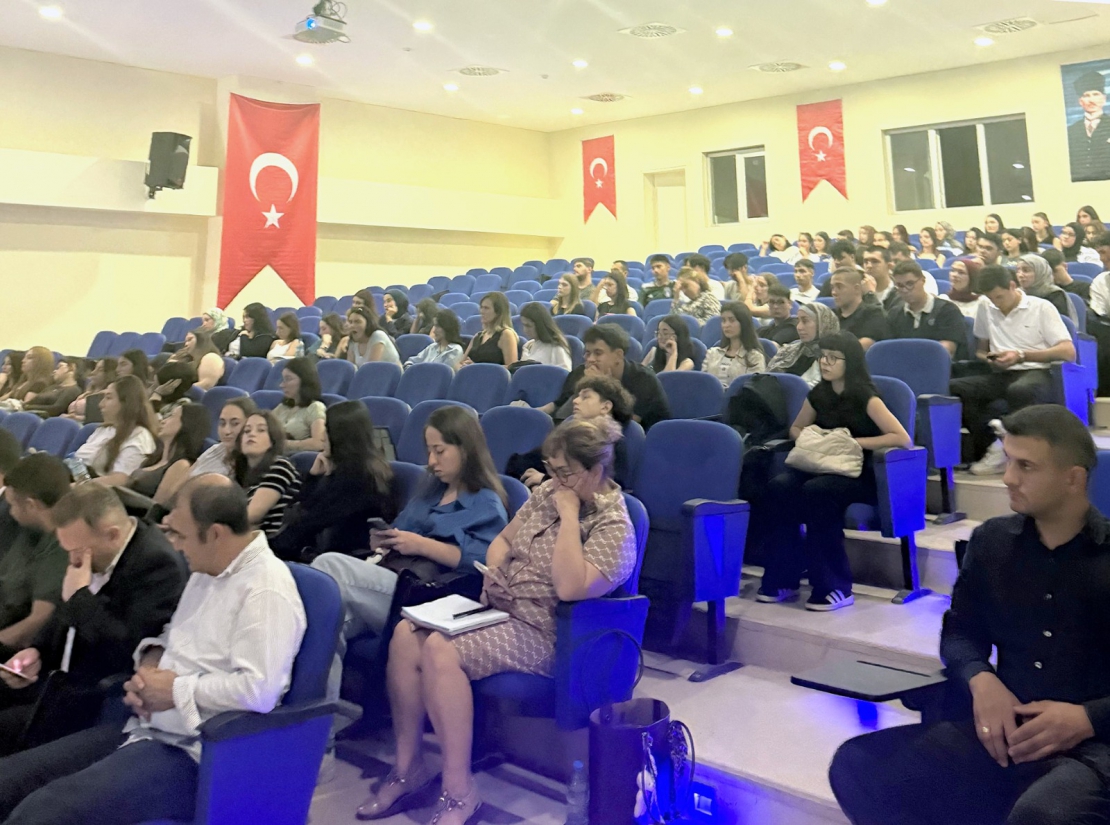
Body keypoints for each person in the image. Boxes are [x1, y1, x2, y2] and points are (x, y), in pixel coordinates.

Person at [830, 405, 1110, 825]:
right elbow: (960, 631)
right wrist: (982, 680)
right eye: (1008, 460)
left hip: (1094, 748)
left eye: (1026, 466)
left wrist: (1087, 718)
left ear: (1073, 478)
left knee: (1042, 815)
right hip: (1006, 733)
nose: (1008, 477)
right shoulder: (992, 542)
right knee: (859, 765)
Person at [357, 418, 634, 823]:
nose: (555, 481)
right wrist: (500, 567)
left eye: (565, 473)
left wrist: (569, 516)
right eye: (552, 469)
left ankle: (459, 793)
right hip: (500, 610)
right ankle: (408, 768)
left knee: (440, 649)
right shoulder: (548, 492)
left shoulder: (614, 526)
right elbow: (502, 540)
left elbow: (569, 585)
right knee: (405, 633)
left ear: (595, 471)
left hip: (550, 634)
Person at [0, 475, 305, 824]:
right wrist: (149, 666)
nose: (175, 545)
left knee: (44, 812)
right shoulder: (207, 570)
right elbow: (171, 635)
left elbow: (259, 690)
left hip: (193, 750)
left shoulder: (265, 590)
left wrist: (172, 690)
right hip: (146, 726)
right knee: (10, 780)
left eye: (181, 535)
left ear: (215, 534)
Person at [311, 406, 507, 733]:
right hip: (395, 580)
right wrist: (386, 540)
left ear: (465, 449)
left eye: (440, 451)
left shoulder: (486, 502)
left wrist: (421, 545)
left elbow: (487, 560)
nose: (431, 461)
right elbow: (400, 531)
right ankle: (319, 732)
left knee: (327, 567)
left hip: (431, 594)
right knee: (326, 622)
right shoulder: (429, 493)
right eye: (429, 451)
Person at [0, 484, 186, 753]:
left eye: (78, 550)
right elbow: (64, 614)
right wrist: (37, 650)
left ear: (112, 535)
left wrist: (80, 597)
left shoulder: (157, 566)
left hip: (90, 697)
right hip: (51, 678)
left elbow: (127, 648)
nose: (72, 558)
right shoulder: (89, 549)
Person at [757, 331, 911, 610]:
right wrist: (817, 439)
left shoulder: (865, 396)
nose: (825, 362)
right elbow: (796, 428)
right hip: (822, 464)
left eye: (833, 358)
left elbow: (901, 438)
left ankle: (834, 585)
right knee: (780, 487)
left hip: (859, 473)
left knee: (818, 492)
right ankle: (784, 576)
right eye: (822, 356)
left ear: (850, 362)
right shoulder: (819, 393)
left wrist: (852, 442)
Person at [950, 265, 1076, 475]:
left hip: (1036, 370)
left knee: (1020, 390)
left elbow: (1067, 351)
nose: (995, 303)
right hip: (1002, 372)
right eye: (990, 298)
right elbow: (981, 350)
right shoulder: (986, 307)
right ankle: (992, 445)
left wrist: (1021, 355)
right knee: (957, 388)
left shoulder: (1041, 307)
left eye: (999, 297)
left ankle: (1011, 446)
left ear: (1011, 286)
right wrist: (991, 358)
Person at [271, 400, 396, 561]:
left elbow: (308, 523)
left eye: (327, 429)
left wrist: (267, 549)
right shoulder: (352, 469)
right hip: (324, 553)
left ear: (341, 437)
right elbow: (305, 509)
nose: (322, 436)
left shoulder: (359, 479)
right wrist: (314, 476)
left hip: (340, 558)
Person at [508, 375, 635, 489]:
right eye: (577, 396)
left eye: (585, 397)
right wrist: (532, 484)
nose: (575, 401)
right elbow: (520, 463)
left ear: (605, 407)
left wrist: (545, 481)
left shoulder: (613, 442)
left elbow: (608, 487)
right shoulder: (567, 435)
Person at [0, 455, 70, 663]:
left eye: (13, 505)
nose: (11, 511)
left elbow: (37, 622)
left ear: (31, 505)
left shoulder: (62, 547)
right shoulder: (26, 529)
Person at [542, 324, 670, 430]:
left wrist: (599, 384)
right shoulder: (580, 372)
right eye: (587, 353)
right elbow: (561, 414)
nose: (590, 359)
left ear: (618, 355)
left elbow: (625, 425)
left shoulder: (644, 380)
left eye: (598, 353)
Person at [117, 404, 210, 507]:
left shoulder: (181, 465)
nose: (163, 421)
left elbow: (156, 507)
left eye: (171, 416)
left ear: (186, 424)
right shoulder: (154, 458)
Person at [75, 375, 158, 483]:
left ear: (126, 403)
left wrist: (74, 486)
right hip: (77, 475)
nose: (101, 405)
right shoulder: (105, 429)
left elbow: (119, 479)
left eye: (108, 398)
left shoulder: (139, 436)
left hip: (92, 486)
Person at [232, 411, 302, 538]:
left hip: (270, 544)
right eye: (246, 431)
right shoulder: (241, 475)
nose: (252, 434)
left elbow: (252, 515)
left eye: (261, 430)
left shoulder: (280, 466)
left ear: (272, 439)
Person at [887, 261, 969, 360]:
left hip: (938, 366)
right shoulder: (895, 313)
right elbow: (889, 349)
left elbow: (946, 352)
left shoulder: (948, 311)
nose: (905, 290)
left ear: (923, 280)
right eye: (900, 285)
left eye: (910, 284)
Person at [766, 302, 841, 388]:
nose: (799, 327)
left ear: (822, 324)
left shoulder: (835, 357)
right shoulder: (790, 349)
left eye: (805, 321)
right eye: (798, 321)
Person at [189, 397, 256, 479]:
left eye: (235, 423)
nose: (226, 431)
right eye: (222, 423)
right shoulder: (214, 450)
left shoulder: (252, 464)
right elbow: (185, 479)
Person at [703, 302, 766, 388]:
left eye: (732, 320)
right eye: (723, 321)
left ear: (743, 323)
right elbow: (703, 384)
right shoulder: (712, 354)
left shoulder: (754, 357)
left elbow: (753, 390)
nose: (726, 325)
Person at [272, 357, 327, 454]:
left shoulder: (315, 408)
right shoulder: (282, 407)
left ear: (305, 380)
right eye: (283, 379)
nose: (282, 385)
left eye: (288, 379)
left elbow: (319, 443)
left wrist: (283, 444)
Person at [830, 268, 888, 350]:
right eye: (832, 287)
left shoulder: (873, 314)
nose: (834, 292)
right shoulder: (831, 316)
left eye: (839, 287)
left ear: (856, 288)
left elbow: (861, 347)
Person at [1067, 70, 1110, 181]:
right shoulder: (1071, 131)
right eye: (1086, 96)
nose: (1091, 100)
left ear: (1104, 99)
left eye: (1096, 94)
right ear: (1080, 101)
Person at [458, 292, 519, 368]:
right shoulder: (478, 336)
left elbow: (512, 367)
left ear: (498, 312)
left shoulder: (506, 334)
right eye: (481, 307)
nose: (481, 311)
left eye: (486, 308)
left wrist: (477, 367)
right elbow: (460, 363)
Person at [1015, 254, 1078, 323]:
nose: (1020, 275)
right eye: (1018, 271)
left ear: (1040, 272)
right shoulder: (1017, 294)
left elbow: (1058, 324)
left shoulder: (1055, 295)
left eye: (1026, 270)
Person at [519, 303, 573, 370]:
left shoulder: (556, 348)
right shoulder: (528, 346)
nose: (525, 330)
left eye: (528, 326)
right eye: (523, 325)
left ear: (540, 325)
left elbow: (565, 373)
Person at [62, 357, 117, 423]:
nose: (93, 372)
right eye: (95, 368)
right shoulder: (88, 392)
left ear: (109, 374)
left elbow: (97, 419)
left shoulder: (106, 396)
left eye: (100, 370)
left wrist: (75, 418)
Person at [861, 246, 904, 313]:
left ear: (889, 266)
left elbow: (884, 319)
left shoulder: (900, 293)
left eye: (875, 262)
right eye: (866, 262)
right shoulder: (858, 292)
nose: (869, 266)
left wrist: (870, 295)